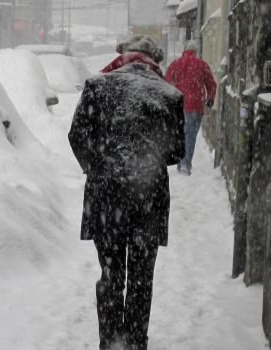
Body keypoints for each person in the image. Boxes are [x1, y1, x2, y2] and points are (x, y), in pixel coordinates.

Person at [69, 36, 185, 350]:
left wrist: (97, 167)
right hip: (149, 202)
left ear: (123, 56)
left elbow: (76, 135)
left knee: (111, 272)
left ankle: (110, 341)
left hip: (105, 200)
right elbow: (177, 151)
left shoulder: (97, 86)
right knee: (141, 277)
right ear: (154, 60)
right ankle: (135, 342)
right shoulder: (169, 95)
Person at [164, 40, 217, 176]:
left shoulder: (176, 64)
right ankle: (185, 164)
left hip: (178, 104)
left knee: (180, 134)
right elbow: (211, 84)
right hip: (195, 105)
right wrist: (210, 98)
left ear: (185, 50)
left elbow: (167, 82)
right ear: (196, 51)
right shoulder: (202, 65)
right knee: (191, 135)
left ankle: (181, 163)